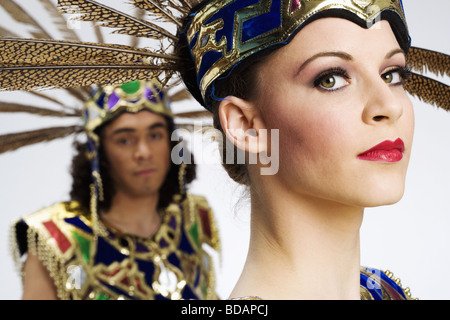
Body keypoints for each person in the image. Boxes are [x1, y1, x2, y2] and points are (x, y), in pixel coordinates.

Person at [0, 0, 448, 300]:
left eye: (393, 74)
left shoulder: (386, 291)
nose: (388, 105)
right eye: (330, 78)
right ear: (246, 125)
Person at [7, 80, 220, 300]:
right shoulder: (56, 238)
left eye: (155, 135)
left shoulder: (192, 217)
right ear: (97, 151)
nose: (143, 152)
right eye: (125, 140)